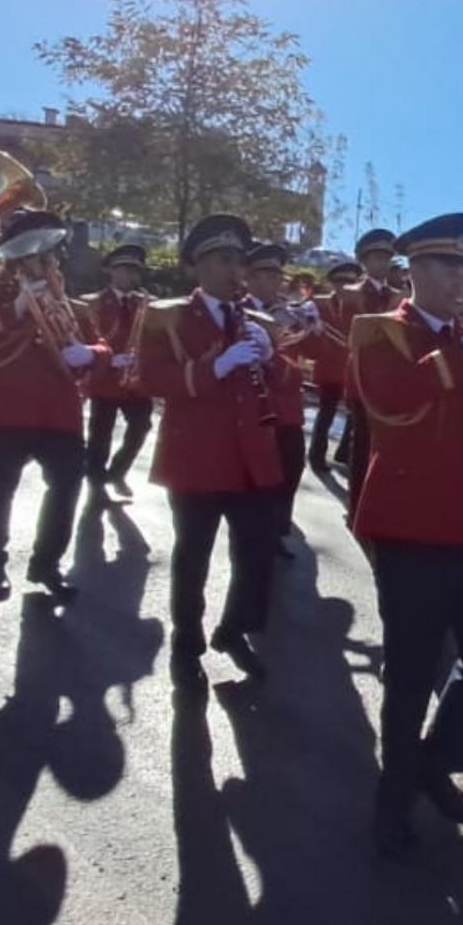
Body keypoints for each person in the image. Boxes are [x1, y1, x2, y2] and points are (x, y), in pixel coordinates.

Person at [351, 212, 463, 860]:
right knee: (410, 672)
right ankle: (391, 802)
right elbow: (396, 408)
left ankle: (434, 761)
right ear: (415, 272)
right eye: (449, 267)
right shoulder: (379, 332)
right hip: (413, 527)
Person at [132, 214, 285, 690]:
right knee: (192, 555)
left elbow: (282, 387)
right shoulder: (167, 314)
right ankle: (186, 642)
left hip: (250, 459)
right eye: (223, 259)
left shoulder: (258, 320)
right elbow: (148, 379)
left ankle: (234, 630)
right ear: (198, 265)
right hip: (195, 457)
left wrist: (273, 359)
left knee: (258, 552)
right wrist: (212, 367)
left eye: (239, 260)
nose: (234, 269)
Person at [0, 210, 106, 601]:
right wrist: (18, 308)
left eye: (48, 254)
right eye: (35, 255)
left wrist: (88, 353)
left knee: (68, 487)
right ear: (15, 258)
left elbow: (102, 346)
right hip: (7, 409)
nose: (47, 262)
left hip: (59, 412)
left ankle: (47, 563)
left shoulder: (68, 302)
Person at [241, 240, 316, 550]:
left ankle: (277, 528)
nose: (276, 282)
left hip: (289, 408)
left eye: (278, 276)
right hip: (256, 408)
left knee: (292, 468)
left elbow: (311, 358)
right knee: (258, 478)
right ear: (251, 278)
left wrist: (314, 330)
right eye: (268, 275)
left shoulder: (289, 313)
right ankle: (259, 534)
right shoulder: (238, 311)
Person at [85, 243, 154, 496]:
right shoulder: (94, 303)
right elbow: (87, 338)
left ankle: (117, 472)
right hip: (106, 379)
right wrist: (111, 359)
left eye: (134, 270)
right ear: (110, 272)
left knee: (141, 427)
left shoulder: (146, 304)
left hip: (136, 383)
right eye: (123, 269)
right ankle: (95, 483)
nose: (129, 275)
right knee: (100, 436)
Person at [340, 228, 400, 515]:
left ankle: (378, 504)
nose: (383, 263)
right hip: (363, 377)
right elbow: (353, 332)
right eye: (376, 257)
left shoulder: (399, 294)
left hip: (390, 380)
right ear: (364, 260)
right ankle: (357, 508)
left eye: (387, 257)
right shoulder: (351, 294)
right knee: (362, 446)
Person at [302, 259, 360, 474]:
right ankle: (316, 456)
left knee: (353, 416)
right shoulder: (318, 304)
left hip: (352, 369)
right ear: (333, 283)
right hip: (329, 368)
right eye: (341, 280)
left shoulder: (359, 305)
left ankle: (343, 452)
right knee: (326, 413)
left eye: (351, 281)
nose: (345, 285)